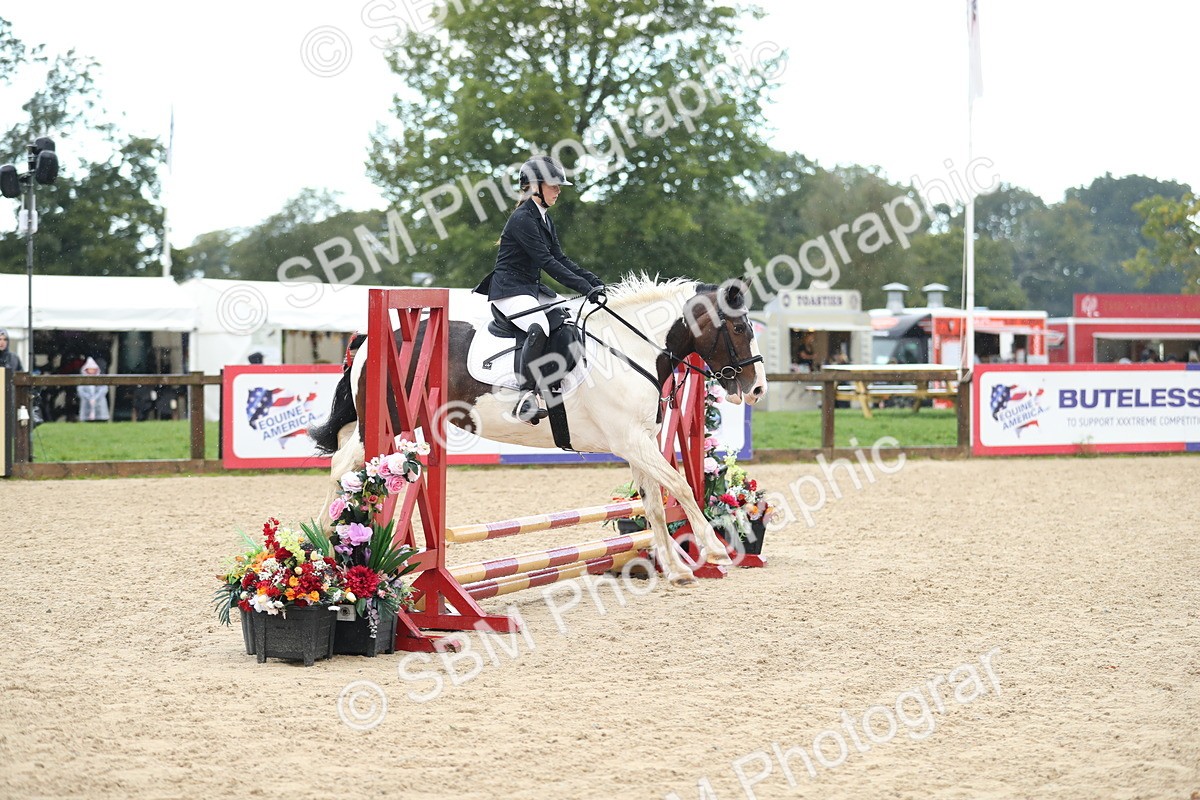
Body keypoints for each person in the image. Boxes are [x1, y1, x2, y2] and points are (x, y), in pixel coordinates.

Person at [473, 155, 605, 424]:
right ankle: (524, 397)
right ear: (535, 186)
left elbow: (561, 258)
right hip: (509, 290)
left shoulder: (544, 218)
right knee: (538, 326)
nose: (558, 190)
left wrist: (593, 281)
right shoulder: (523, 218)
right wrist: (582, 285)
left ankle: (551, 383)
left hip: (530, 287)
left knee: (567, 317)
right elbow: (547, 262)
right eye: (554, 185)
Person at [77, 357, 110, 422]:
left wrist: (95, 398)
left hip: (99, 404)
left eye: (93, 369)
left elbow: (104, 389)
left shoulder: (100, 379)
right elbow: (80, 391)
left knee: (100, 419)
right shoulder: (83, 379)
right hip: (87, 404)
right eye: (90, 369)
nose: (92, 371)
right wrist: (89, 398)